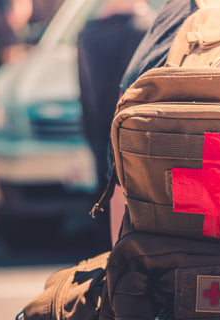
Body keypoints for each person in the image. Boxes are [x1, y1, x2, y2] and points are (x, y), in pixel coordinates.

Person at [77, 0, 156, 245]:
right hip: (133, 129)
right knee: (131, 198)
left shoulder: (87, 31)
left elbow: (84, 88)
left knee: (105, 194)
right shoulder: (144, 29)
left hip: (99, 126)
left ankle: (110, 257)